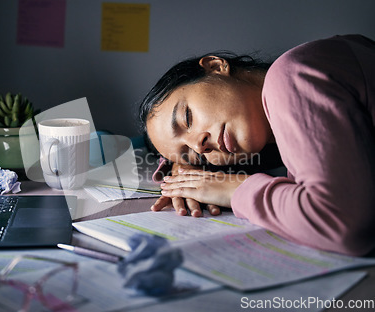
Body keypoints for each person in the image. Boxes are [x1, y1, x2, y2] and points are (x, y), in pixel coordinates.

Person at [138, 34, 375, 256]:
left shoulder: (290, 75)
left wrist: (232, 190)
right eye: (194, 156)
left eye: (187, 118)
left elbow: (344, 225)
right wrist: (182, 171)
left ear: (215, 67)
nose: (200, 146)